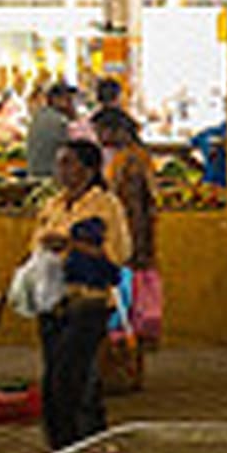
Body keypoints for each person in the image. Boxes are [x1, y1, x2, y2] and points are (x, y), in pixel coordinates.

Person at [0, 142, 132, 447]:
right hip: (52, 301)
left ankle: (75, 444)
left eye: (69, 163)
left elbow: (119, 254)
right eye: (59, 163)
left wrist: (70, 244)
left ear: (89, 169)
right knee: (62, 376)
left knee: (68, 378)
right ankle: (72, 444)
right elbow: (34, 252)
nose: (61, 170)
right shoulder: (53, 205)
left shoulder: (105, 205)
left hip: (89, 301)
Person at [93, 107, 162, 352]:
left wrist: (132, 241)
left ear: (117, 131)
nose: (99, 137)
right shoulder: (131, 156)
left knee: (128, 292)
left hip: (130, 232)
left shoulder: (130, 162)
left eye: (101, 131)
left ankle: (129, 338)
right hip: (131, 232)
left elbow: (133, 206)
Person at [25, 82, 77, 178]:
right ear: (55, 100)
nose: (72, 104)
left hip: (33, 173)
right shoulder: (59, 121)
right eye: (68, 100)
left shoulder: (39, 116)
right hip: (50, 176)